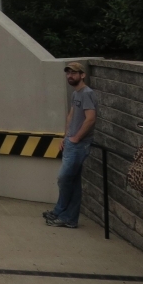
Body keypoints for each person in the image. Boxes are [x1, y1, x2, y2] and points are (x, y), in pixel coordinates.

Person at [44, 62, 96, 228]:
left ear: (82, 75)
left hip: (79, 145)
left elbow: (91, 119)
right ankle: (61, 213)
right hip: (71, 143)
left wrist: (76, 138)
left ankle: (68, 217)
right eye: (68, 73)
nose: (70, 76)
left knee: (65, 179)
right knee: (71, 180)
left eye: (74, 73)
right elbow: (71, 116)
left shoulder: (87, 93)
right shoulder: (76, 94)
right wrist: (66, 137)